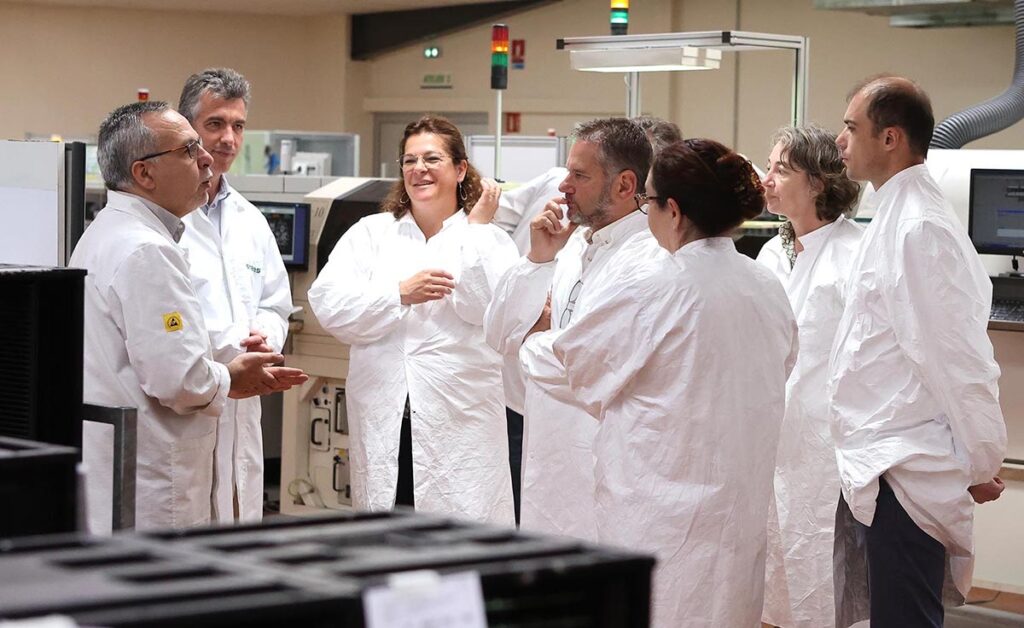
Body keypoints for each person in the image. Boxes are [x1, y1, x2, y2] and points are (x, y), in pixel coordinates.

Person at [545, 139, 797, 627]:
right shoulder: (765, 285)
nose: (646, 212)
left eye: (649, 201)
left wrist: (538, 337)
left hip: (660, 509)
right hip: (735, 507)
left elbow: (578, 366)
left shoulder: (657, 285)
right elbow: (781, 367)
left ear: (674, 211)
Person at [71, 101, 307, 532]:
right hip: (155, 476)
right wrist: (233, 378)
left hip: (132, 461)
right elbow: (179, 379)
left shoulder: (110, 233)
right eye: (188, 150)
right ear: (144, 173)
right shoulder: (146, 249)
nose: (206, 159)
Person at [830, 76, 1007, 627]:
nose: (840, 140)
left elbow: (958, 360)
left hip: (907, 465)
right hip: (881, 457)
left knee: (905, 617)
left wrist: (983, 458)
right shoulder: (892, 214)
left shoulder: (920, 227)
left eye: (851, 127)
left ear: (890, 138)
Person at [307, 115, 519, 525]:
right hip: (386, 417)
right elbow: (330, 306)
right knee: (390, 537)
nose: (418, 169)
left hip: (459, 424)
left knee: (459, 541)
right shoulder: (371, 234)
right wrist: (397, 295)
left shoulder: (490, 240)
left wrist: (474, 232)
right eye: (409, 160)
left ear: (460, 169)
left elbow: (491, 313)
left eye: (431, 158)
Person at [489, 116, 681, 528]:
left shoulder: (648, 259)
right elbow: (498, 333)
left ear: (625, 186)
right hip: (548, 453)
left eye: (579, 175)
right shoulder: (573, 245)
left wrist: (536, 340)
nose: (563, 186)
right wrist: (539, 258)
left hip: (602, 466)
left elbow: (579, 366)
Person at [755, 125, 863, 628]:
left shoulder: (855, 254)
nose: (767, 178)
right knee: (773, 567)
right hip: (774, 434)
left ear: (818, 182)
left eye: (781, 169)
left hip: (828, 442)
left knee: (824, 566)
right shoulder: (772, 253)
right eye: (769, 166)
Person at [177, 68, 293, 524]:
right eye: (215, 124)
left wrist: (263, 338)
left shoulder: (250, 220)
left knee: (237, 523)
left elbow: (275, 301)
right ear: (188, 129)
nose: (228, 138)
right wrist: (232, 345)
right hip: (191, 398)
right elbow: (164, 319)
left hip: (243, 400)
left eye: (238, 126)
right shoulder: (165, 219)